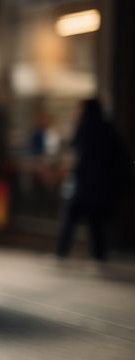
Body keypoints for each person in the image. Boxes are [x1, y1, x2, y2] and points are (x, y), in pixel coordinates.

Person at [55, 98, 129, 262]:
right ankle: (99, 255)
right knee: (96, 222)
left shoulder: (83, 128)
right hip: (101, 186)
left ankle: (62, 252)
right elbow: (120, 157)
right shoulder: (108, 129)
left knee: (71, 218)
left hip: (83, 185)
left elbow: (75, 154)